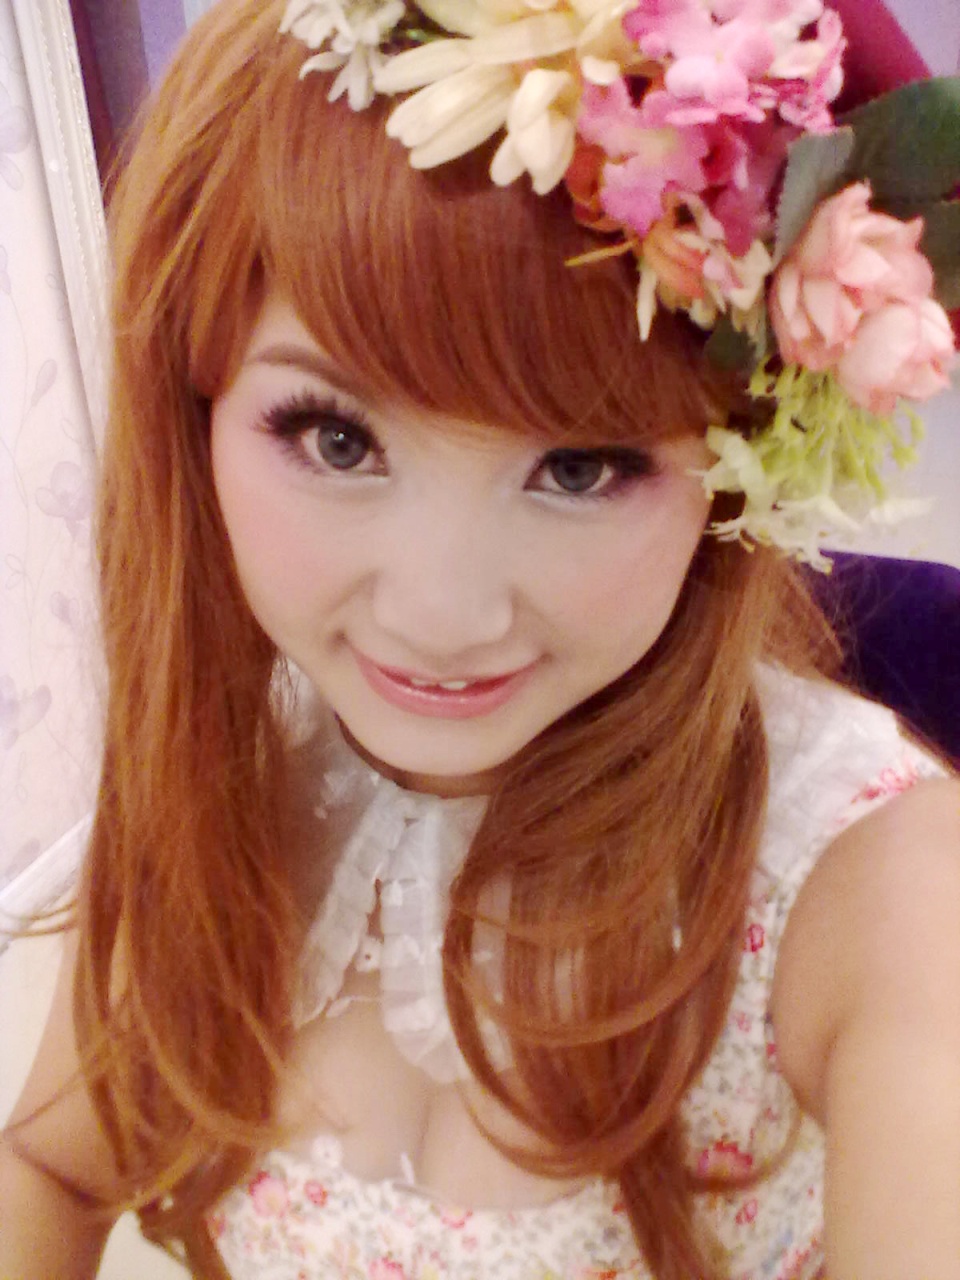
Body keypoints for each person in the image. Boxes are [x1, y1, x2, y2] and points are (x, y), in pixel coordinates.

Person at [2, 0, 959, 1276]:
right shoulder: (220, 776)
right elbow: (49, 1162)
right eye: (335, 438)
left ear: (736, 462)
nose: (440, 615)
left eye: (580, 466)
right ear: (197, 404)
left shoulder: (884, 890)